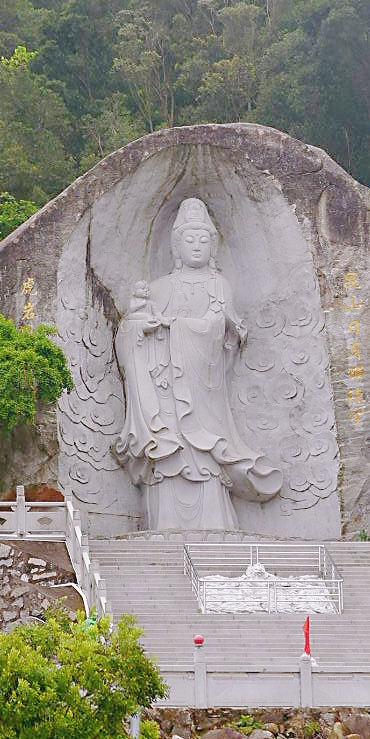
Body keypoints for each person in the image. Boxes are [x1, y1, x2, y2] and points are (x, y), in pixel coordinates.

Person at [113, 198, 282, 530]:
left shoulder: (220, 285)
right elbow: (131, 331)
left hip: (204, 387)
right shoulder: (160, 288)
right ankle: (162, 522)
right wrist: (138, 324)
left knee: (206, 455)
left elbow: (223, 330)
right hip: (166, 392)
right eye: (189, 240)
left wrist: (177, 327)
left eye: (203, 240)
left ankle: (217, 522)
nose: (196, 247)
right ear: (176, 247)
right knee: (168, 453)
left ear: (213, 246)